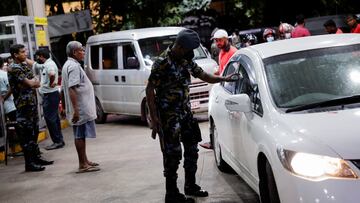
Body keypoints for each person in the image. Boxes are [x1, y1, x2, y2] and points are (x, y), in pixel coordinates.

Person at [146, 28, 239, 203]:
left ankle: (191, 186)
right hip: (169, 116)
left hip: (186, 113)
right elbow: (150, 89)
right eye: (189, 50)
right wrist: (154, 118)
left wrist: (224, 79)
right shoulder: (161, 63)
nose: (191, 54)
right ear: (180, 47)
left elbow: (203, 75)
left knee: (192, 149)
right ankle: (171, 194)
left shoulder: (185, 59)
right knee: (172, 155)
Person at [7, 44, 53, 172]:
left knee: (33, 133)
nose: (25, 54)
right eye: (22, 52)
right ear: (15, 55)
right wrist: (32, 82)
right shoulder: (14, 68)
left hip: (31, 105)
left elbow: (36, 82)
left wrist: (33, 82)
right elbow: (29, 82)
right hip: (23, 106)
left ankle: (36, 158)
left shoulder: (23, 66)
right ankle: (29, 163)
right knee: (26, 135)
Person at [61, 41, 100, 173]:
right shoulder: (73, 67)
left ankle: (85, 160)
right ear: (74, 52)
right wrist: (76, 110)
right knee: (79, 135)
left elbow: (63, 89)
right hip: (80, 109)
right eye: (81, 50)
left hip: (79, 108)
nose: (83, 52)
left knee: (81, 135)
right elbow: (72, 89)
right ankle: (82, 164)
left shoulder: (70, 64)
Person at [25, 48, 65, 150]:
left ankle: (57, 141)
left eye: (37, 56)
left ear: (41, 56)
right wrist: (24, 58)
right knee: (54, 118)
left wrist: (52, 82)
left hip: (50, 95)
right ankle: (59, 140)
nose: (36, 58)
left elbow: (52, 74)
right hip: (50, 95)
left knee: (50, 119)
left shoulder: (49, 65)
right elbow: (34, 64)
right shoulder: (45, 64)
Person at [0, 57, 18, 153]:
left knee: (11, 127)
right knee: (16, 127)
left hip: (8, 105)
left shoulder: (3, 74)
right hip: (9, 105)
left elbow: (11, 88)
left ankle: (12, 148)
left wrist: (3, 98)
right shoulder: (4, 74)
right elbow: (11, 88)